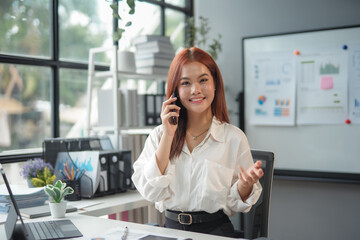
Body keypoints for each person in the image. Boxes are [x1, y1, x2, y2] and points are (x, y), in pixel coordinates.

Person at [132, 47, 264, 237]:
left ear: (215, 84)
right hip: (171, 231)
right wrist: (168, 135)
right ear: (175, 90)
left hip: (216, 232)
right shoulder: (159, 135)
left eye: (203, 80)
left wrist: (245, 186)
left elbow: (238, 202)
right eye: (186, 83)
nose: (196, 90)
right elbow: (150, 191)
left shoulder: (233, 138)